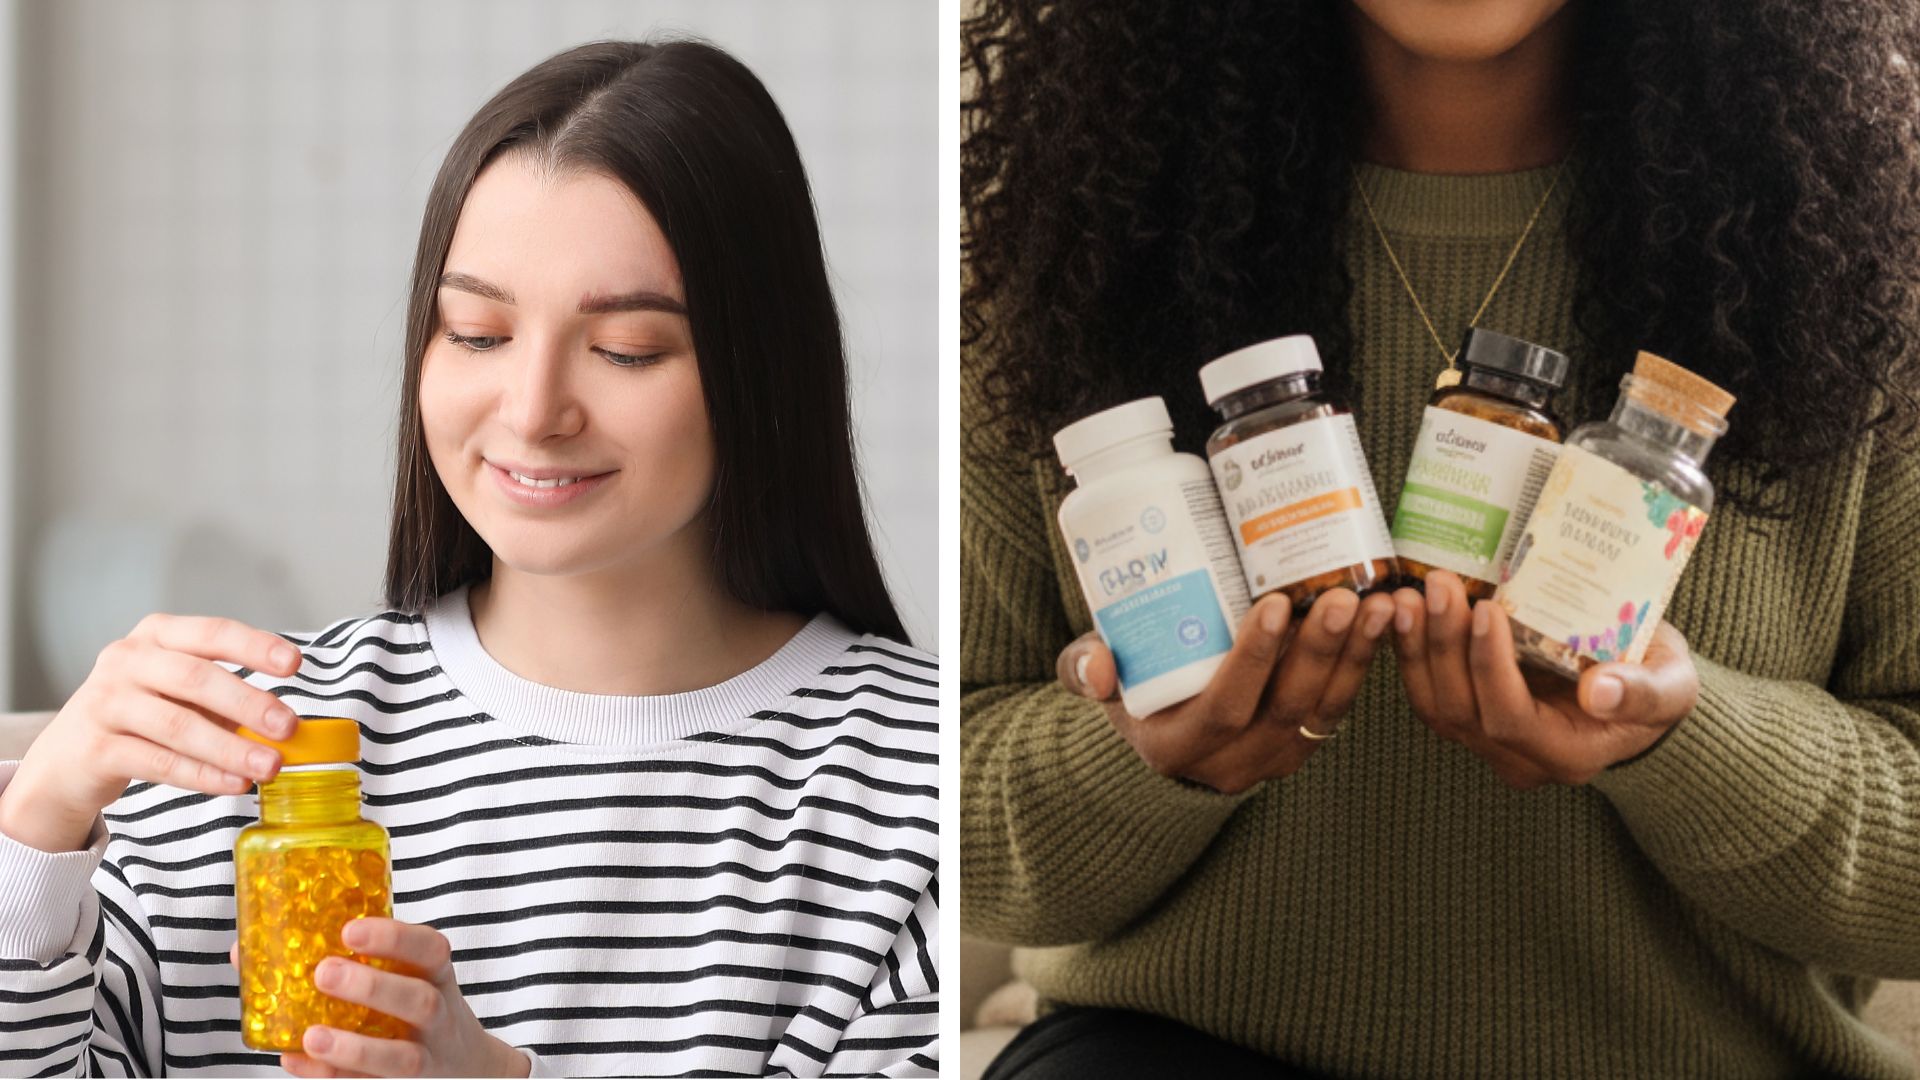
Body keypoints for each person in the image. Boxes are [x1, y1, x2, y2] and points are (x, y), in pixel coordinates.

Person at [961, 0, 1920, 1077]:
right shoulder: (1067, 246)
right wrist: (1133, 757)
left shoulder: (1861, 262)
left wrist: (1680, 744)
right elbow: (943, 827)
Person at [0, 40, 937, 1079]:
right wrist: (36, 838)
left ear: (760, 369)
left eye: (626, 348)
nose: (533, 413)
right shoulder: (251, 749)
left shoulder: (912, 790)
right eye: (477, 333)